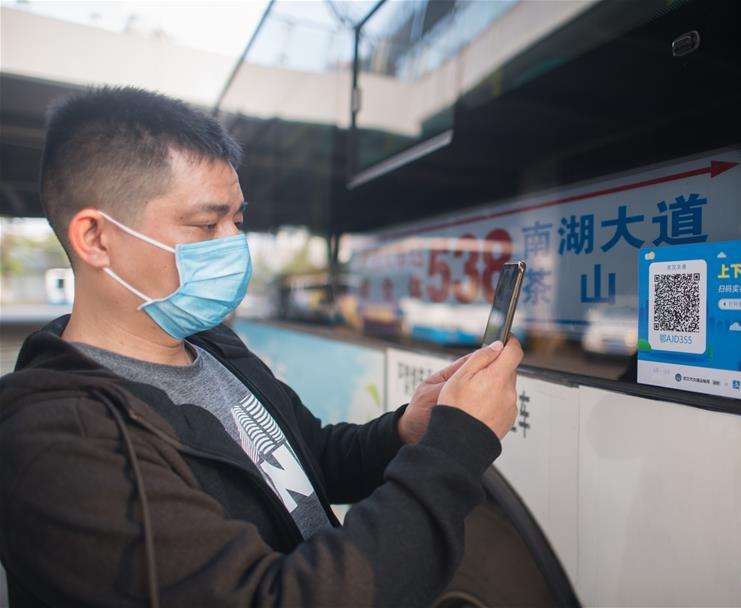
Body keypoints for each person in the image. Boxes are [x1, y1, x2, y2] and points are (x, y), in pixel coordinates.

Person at [0, 87, 523, 608]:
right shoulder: (59, 442)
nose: (234, 245)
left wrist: (409, 430)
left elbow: (310, 454)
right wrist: (455, 448)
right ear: (95, 238)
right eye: (207, 224)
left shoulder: (213, 346)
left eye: (238, 221)